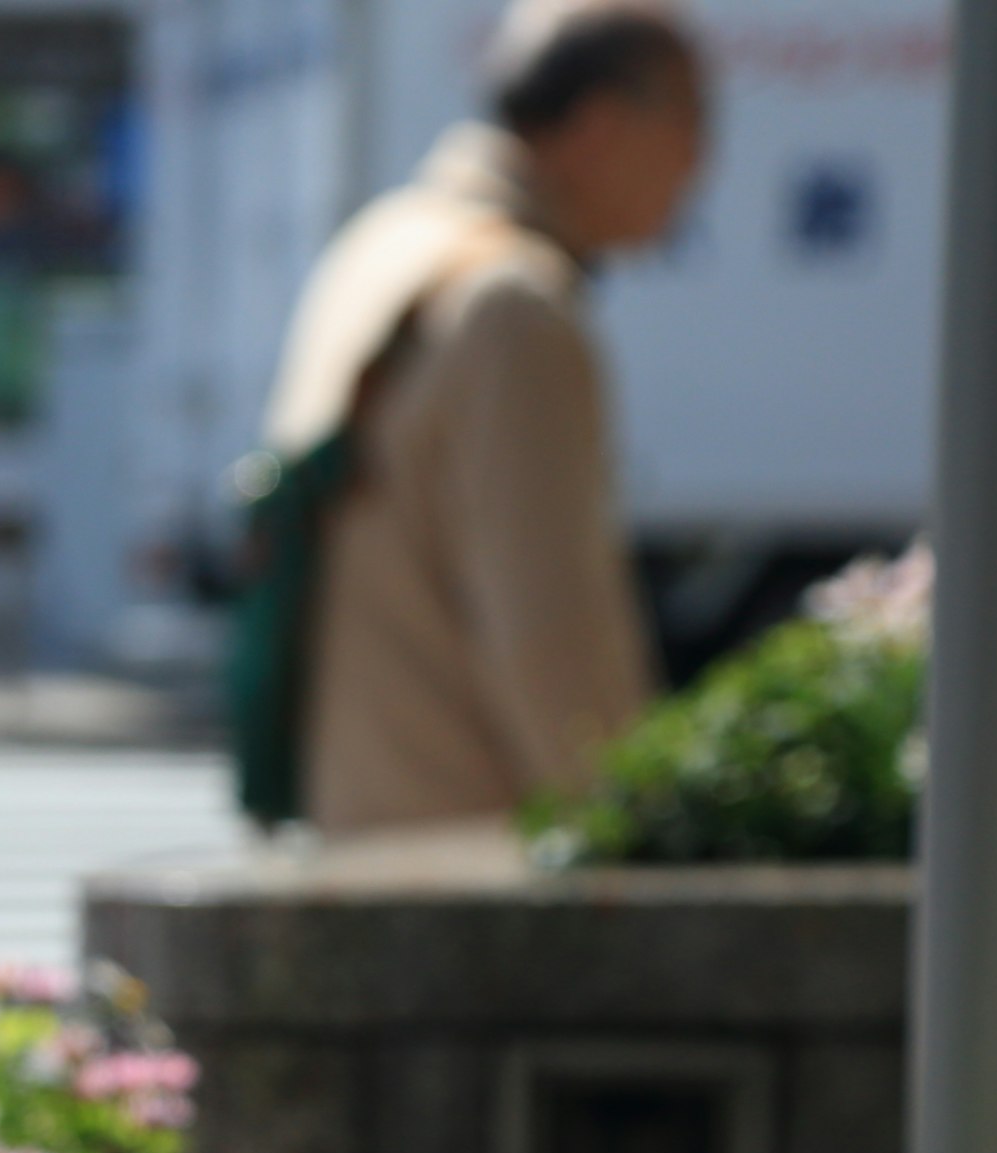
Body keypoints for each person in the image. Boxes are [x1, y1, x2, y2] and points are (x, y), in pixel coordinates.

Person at [261, 0, 708, 836]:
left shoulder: (391, 243)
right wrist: (634, 832)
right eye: (693, 124)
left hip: (356, 814)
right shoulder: (515, 308)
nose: (698, 165)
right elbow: (553, 641)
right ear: (602, 126)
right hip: (471, 850)